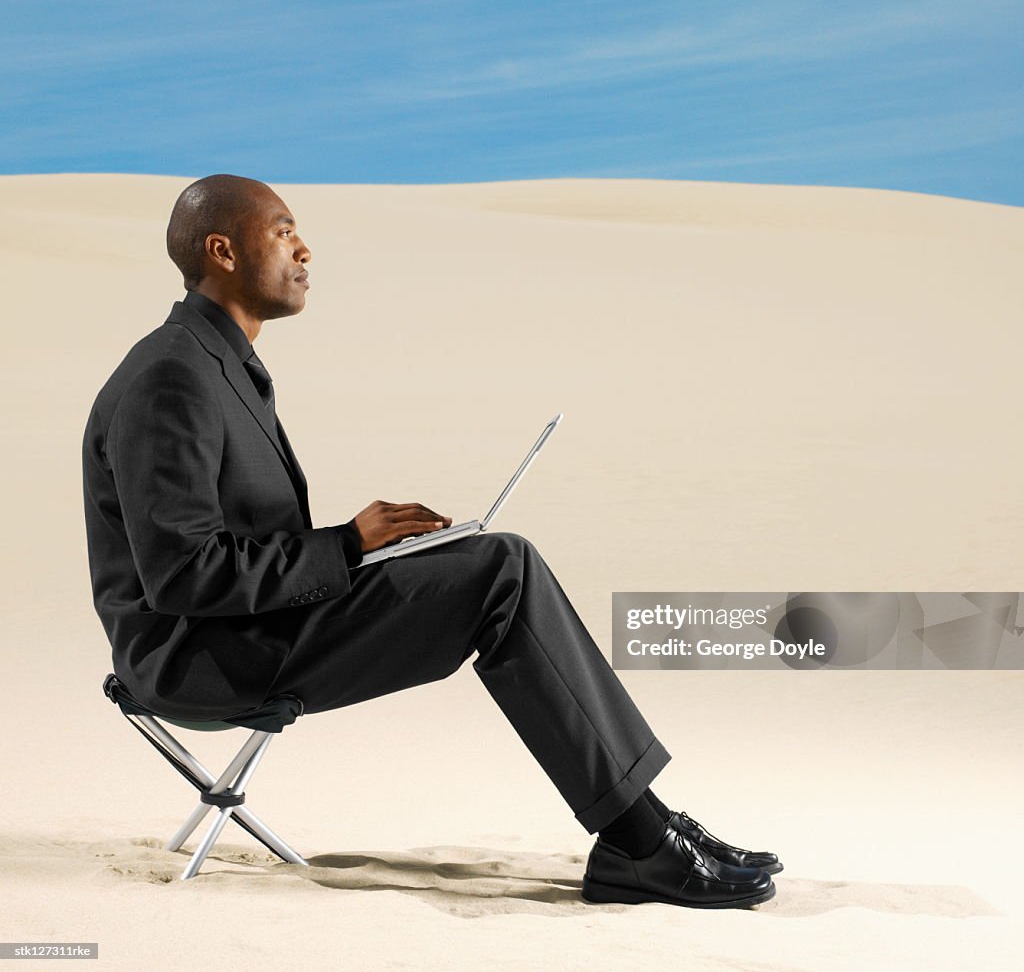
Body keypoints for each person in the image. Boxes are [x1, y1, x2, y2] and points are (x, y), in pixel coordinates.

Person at [82, 174, 782, 909]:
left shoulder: (217, 365)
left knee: (493, 561)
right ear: (222, 251)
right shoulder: (174, 375)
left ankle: (647, 826)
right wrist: (349, 544)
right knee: (499, 570)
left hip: (250, 629)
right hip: (199, 658)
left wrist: (374, 552)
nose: (305, 247)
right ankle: (640, 843)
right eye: (284, 230)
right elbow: (184, 575)